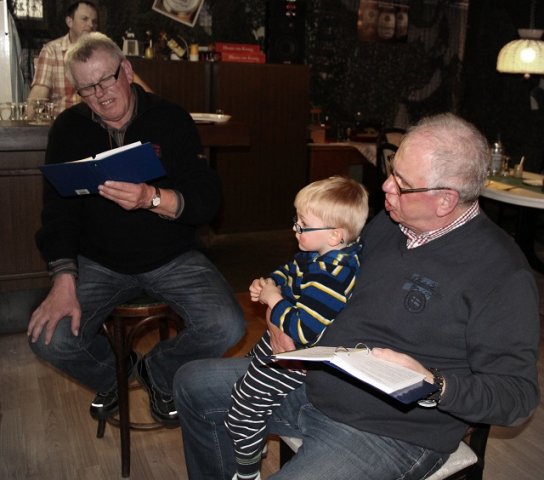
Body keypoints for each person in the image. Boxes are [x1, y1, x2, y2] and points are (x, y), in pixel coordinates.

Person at [173, 112, 541, 479]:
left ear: (444, 200)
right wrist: (278, 315)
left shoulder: (501, 273)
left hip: (392, 432)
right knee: (191, 383)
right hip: (311, 381)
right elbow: (322, 272)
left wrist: (435, 385)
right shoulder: (390, 223)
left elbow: (517, 396)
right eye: (392, 170)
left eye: (402, 183)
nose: (386, 186)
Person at [27, 32, 245, 427]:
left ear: (126, 70)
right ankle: (118, 373)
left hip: (171, 255)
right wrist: (63, 278)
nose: (100, 94)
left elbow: (206, 199)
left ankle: (157, 371)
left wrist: (151, 198)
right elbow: (57, 213)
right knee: (49, 338)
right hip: (97, 260)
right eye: (87, 88)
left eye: (106, 79)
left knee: (227, 325)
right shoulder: (68, 129)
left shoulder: (169, 118)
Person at [225, 176, 368, 480]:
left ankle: (248, 472)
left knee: (243, 407)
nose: (295, 229)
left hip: (299, 356)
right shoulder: (318, 253)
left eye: (304, 225)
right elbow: (291, 269)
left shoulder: (333, 275)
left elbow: (303, 331)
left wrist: (273, 299)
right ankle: (255, 440)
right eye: (296, 220)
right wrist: (272, 282)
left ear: (334, 235)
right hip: (283, 343)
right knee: (246, 378)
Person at [27, 1, 151, 113]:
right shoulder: (51, 51)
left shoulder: (104, 50)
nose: (91, 25)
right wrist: (26, 125)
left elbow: (133, 80)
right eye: (85, 19)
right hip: (64, 123)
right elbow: (39, 93)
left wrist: (155, 109)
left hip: (99, 123)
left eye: (94, 21)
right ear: (69, 22)